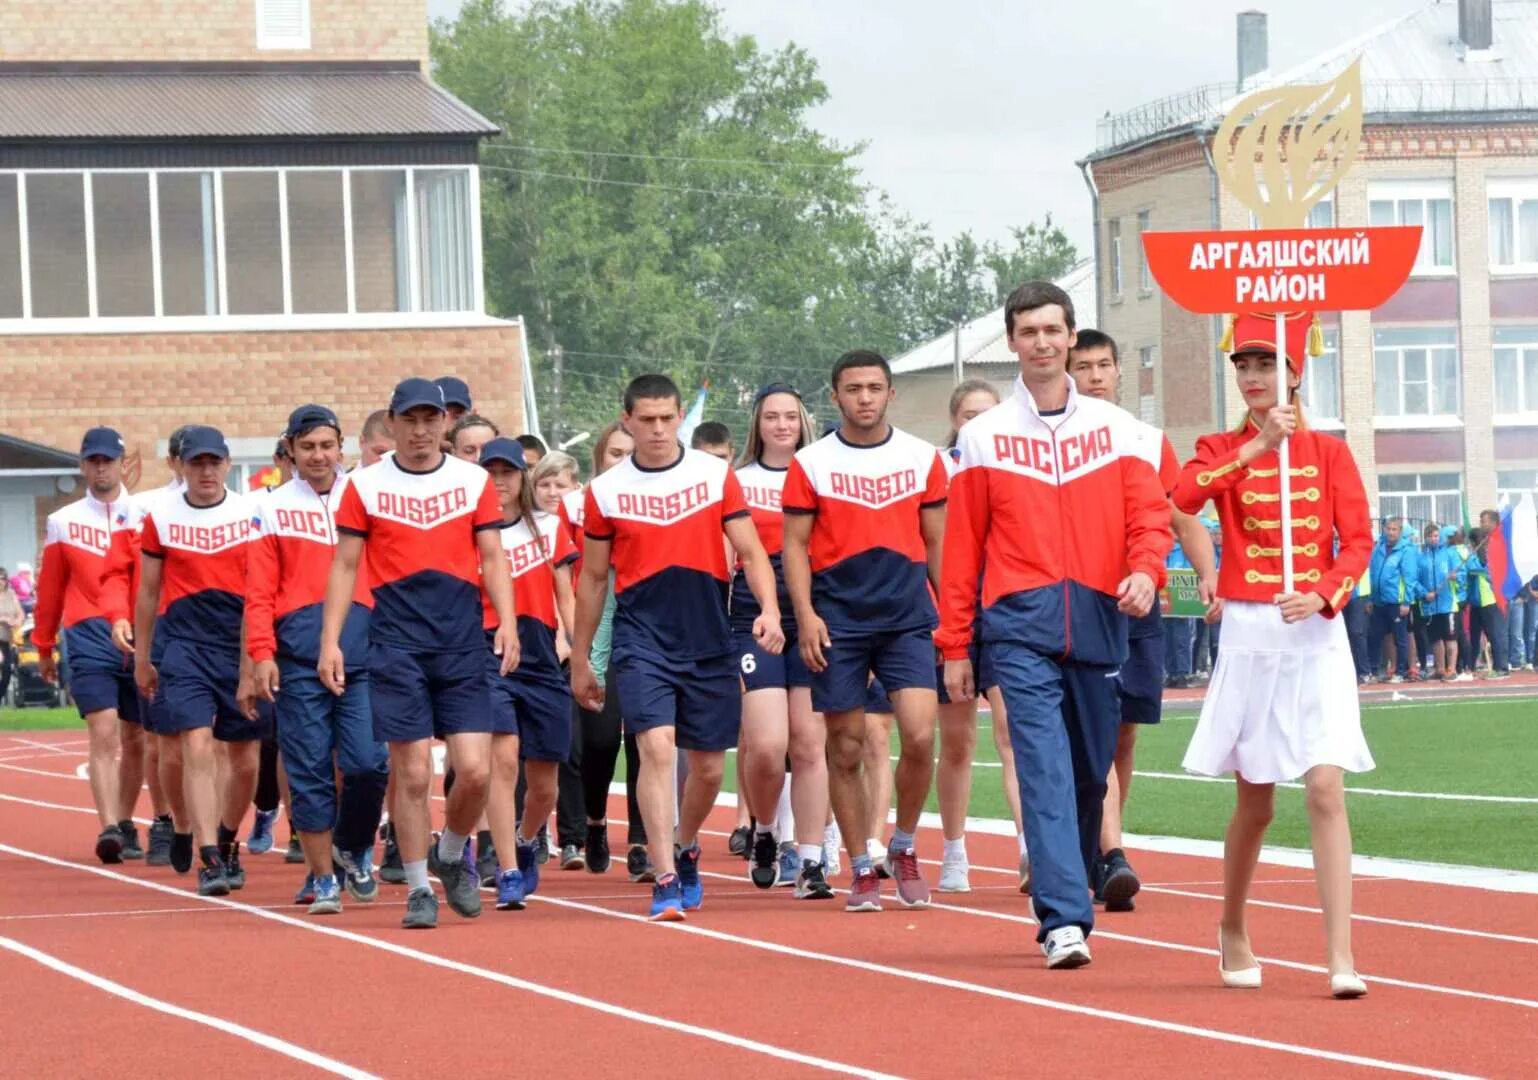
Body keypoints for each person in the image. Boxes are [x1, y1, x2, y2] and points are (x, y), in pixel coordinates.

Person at [939, 281, 1169, 969]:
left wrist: (1145, 571)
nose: (1041, 342)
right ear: (1011, 341)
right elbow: (962, 551)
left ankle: (1068, 869)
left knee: (1089, 774)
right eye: (1028, 331)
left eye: (1052, 330)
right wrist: (955, 642)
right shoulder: (982, 438)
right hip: (1017, 623)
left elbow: (1149, 517)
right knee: (1039, 763)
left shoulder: (1118, 430)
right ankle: (1064, 921)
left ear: (1071, 337)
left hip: (1099, 620)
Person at [1173, 310, 1373, 999]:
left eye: (1268, 365)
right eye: (1245, 366)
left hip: (1315, 633)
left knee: (1325, 786)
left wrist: (1323, 593)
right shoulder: (1217, 445)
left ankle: (1341, 955)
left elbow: (1357, 543)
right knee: (1255, 802)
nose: (1254, 377)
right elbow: (1186, 495)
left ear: (1295, 373)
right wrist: (1256, 448)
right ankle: (1231, 923)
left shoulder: (1331, 455)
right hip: (1251, 632)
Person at [570, 374, 784, 921]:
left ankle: (687, 845)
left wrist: (769, 608)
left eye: (668, 418)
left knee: (709, 768)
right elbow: (593, 580)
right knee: (658, 748)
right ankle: (664, 873)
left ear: (680, 415)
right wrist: (581, 656)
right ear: (627, 421)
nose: (659, 429)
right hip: (643, 640)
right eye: (647, 420)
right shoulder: (607, 491)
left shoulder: (714, 477)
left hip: (710, 638)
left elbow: (752, 552)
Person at [322, 377, 518, 930]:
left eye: (432, 419)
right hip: (396, 646)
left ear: (445, 424)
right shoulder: (365, 486)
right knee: (410, 775)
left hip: (461, 644)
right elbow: (344, 566)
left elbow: (493, 556)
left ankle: (450, 853)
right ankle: (416, 889)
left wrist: (506, 621)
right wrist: (331, 641)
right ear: (394, 422)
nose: (422, 429)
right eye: (411, 419)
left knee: (476, 771)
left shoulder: (473, 480)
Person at [783, 350, 947, 913]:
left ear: (890, 394)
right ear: (836, 397)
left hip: (906, 616)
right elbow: (795, 547)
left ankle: (902, 845)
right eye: (853, 389)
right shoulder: (812, 463)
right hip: (838, 620)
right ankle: (859, 867)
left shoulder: (923, 457)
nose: (865, 398)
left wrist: (952, 613)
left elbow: (937, 542)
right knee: (845, 746)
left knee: (921, 736)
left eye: (875, 387)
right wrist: (805, 615)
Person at [1065, 329, 1218, 912]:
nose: (1096, 376)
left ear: (1120, 372)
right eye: (1086, 366)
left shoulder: (1148, 441)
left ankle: (1106, 846)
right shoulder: (1060, 442)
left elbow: (1183, 516)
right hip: (1082, 604)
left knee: (1123, 734)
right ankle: (1105, 852)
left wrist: (1208, 574)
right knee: (1090, 738)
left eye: (1105, 365)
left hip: (1140, 602)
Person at [246, 405, 390, 915]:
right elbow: (259, 590)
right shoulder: (269, 507)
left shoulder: (366, 495)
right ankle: (324, 877)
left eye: (327, 445)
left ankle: (351, 847)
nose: (318, 456)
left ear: (342, 447)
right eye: (307, 447)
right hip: (298, 657)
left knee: (369, 763)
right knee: (307, 769)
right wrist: (261, 653)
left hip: (363, 653)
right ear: (290, 450)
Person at [134, 426, 266, 897]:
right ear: (181, 467)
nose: (206, 472)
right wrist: (143, 658)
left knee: (246, 760)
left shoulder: (253, 511)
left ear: (227, 465)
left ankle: (228, 838)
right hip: (185, 644)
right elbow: (148, 590)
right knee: (195, 741)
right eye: (196, 464)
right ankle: (208, 854)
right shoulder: (161, 516)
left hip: (240, 642)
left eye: (214, 463)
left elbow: (262, 586)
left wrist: (257, 659)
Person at [732, 383, 834, 899]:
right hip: (755, 617)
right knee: (769, 746)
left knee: (810, 742)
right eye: (771, 416)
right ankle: (766, 831)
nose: (781, 425)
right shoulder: (737, 481)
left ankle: (812, 859)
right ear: (758, 424)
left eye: (790, 416)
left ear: (803, 421)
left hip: (812, 613)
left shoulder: (820, 472)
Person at [33, 427, 148, 862]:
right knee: (104, 731)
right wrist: (44, 645)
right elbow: (51, 588)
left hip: (138, 636)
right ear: (82, 465)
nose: (101, 467)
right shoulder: (63, 521)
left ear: (122, 464)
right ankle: (110, 828)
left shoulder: (145, 515)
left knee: (136, 736)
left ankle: (126, 819)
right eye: (93, 460)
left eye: (108, 460)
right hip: (87, 635)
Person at [478, 438, 577, 909]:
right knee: (502, 761)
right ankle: (508, 869)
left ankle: (525, 838)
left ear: (524, 479)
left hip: (541, 658)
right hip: (489, 653)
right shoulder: (468, 531)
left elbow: (568, 596)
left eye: (509, 473)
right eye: (490, 472)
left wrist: (581, 653)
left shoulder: (549, 528)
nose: (499, 482)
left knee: (544, 785)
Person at [564, 422, 651, 879]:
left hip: (644, 632)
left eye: (629, 452)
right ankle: (596, 822)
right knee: (599, 742)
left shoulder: (653, 498)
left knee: (646, 741)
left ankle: (640, 840)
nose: (622, 459)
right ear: (600, 457)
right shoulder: (579, 507)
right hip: (597, 630)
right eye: (615, 453)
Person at [105, 426, 192, 869]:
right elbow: (118, 569)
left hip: (207, 633)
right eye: (187, 459)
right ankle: (165, 821)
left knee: (210, 744)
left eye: (208, 460)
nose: (198, 469)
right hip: (157, 631)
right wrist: (120, 614)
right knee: (158, 738)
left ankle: (200, 826)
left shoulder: (234, 507)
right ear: (173, 463)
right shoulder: (143, 508)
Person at [527, 449, 588, 869]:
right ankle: (531, 831)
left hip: (573, 642)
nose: (552, 492)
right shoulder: (527, 531)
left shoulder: (581, 531)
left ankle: (574, 834)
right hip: (536, 644)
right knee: (528, 752)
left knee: (574, 748)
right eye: (544, 484)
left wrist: (573, 642)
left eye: (559, 484)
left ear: (575, 488)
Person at [1366, 519, 1415, 681]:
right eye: (1389, 529)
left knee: (1400, 638)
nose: (1391, 532)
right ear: (1384, 530)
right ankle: (1373, 671)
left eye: (1395, 529)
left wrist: (1406, 601)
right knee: (1375, 637)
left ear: (1400, 531)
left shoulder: (1406, 550)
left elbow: (1410, 577)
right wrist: (1370, 598)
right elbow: (1372, 574)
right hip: (1379, 601)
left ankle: (1400, 672)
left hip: (1396, 602)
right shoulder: (1378, 548)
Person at [1464, 527, 1510, 679]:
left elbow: (1476, 568)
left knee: (1494, 635)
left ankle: (1501, 667)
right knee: (1474, 636)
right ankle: (1470, 667)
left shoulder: (1486, 554)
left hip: (1488, 600)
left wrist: (1473, 562)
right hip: (1476, 602)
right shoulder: (1473, 554)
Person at [1417, 523, 1460, 680]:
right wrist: (1424, 593)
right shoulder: (1421, 558)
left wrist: (1455, 576)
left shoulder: (1449, 554)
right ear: (1426, 538)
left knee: (1450, 638)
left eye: (1436, 536)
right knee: (1435, 640)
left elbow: (1460, 573)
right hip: (1430, 606)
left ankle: (1452, 669)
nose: (1433, 539)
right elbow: (1415, 580)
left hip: (1447, 605)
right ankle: (1440, 669)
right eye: (1430, 536)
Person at [0, 568, 22, 704]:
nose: (0, 581)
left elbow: (20, 613)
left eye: (2, 578)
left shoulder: (11, 594)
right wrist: (2, 619)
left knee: (8, 670)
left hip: (6, 639)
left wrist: (17, 620)